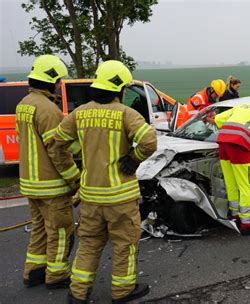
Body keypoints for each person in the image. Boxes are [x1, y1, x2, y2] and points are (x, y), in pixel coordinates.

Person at [50, 60, 157, 303]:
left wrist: (76, 168)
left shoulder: (80, 113)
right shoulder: (126, 114)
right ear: (120, 88)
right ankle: (122, 291)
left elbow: (57, 143)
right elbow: (149, 141)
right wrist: (134, 158)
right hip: (121, 198)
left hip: (90, 197)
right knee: (124, 244)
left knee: (88, 244)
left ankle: (77, 293)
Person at [16, 54, 77, 290]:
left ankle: (33, 272)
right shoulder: (48, 110)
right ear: (51, 81)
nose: (61, 84)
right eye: (59, 80)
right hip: (51, 185)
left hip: (30, 183)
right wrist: (75, 178)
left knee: (40, 229)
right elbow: (57, 150)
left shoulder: (24, 104)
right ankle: (57, 275)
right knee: (61, 232)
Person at [214, 97, 250, 235]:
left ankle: (235, 214)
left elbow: (219, 119)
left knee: (231, 182)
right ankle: (247, 223)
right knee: (246, 184)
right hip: (240, 145)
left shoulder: (244, 106)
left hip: (223, 143)